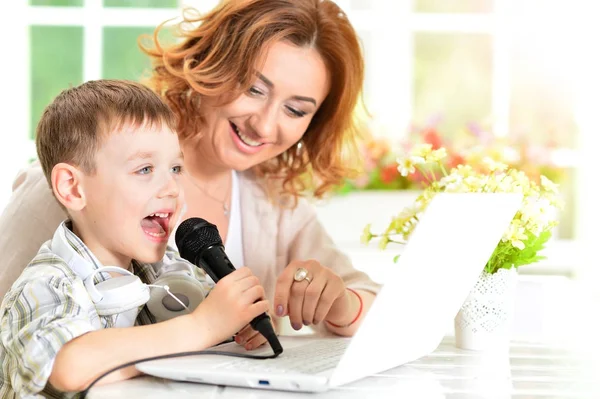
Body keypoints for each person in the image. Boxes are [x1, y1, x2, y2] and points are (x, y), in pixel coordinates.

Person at [0, 0, 379, 352]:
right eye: (254, 89)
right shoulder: (75, 186)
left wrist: (341, 304)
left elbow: (379, 310)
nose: (265, 125)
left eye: (295, 110)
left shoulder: (272, 203)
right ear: (211, 64)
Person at [0, 80, 271, 397]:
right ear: (73, 188)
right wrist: (203, 326)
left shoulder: (168, 270)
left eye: (175, 168)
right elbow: (68, 364)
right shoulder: (46, 284)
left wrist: (241, 324)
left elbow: (217, 319)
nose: (171, 188)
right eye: (145, 169)